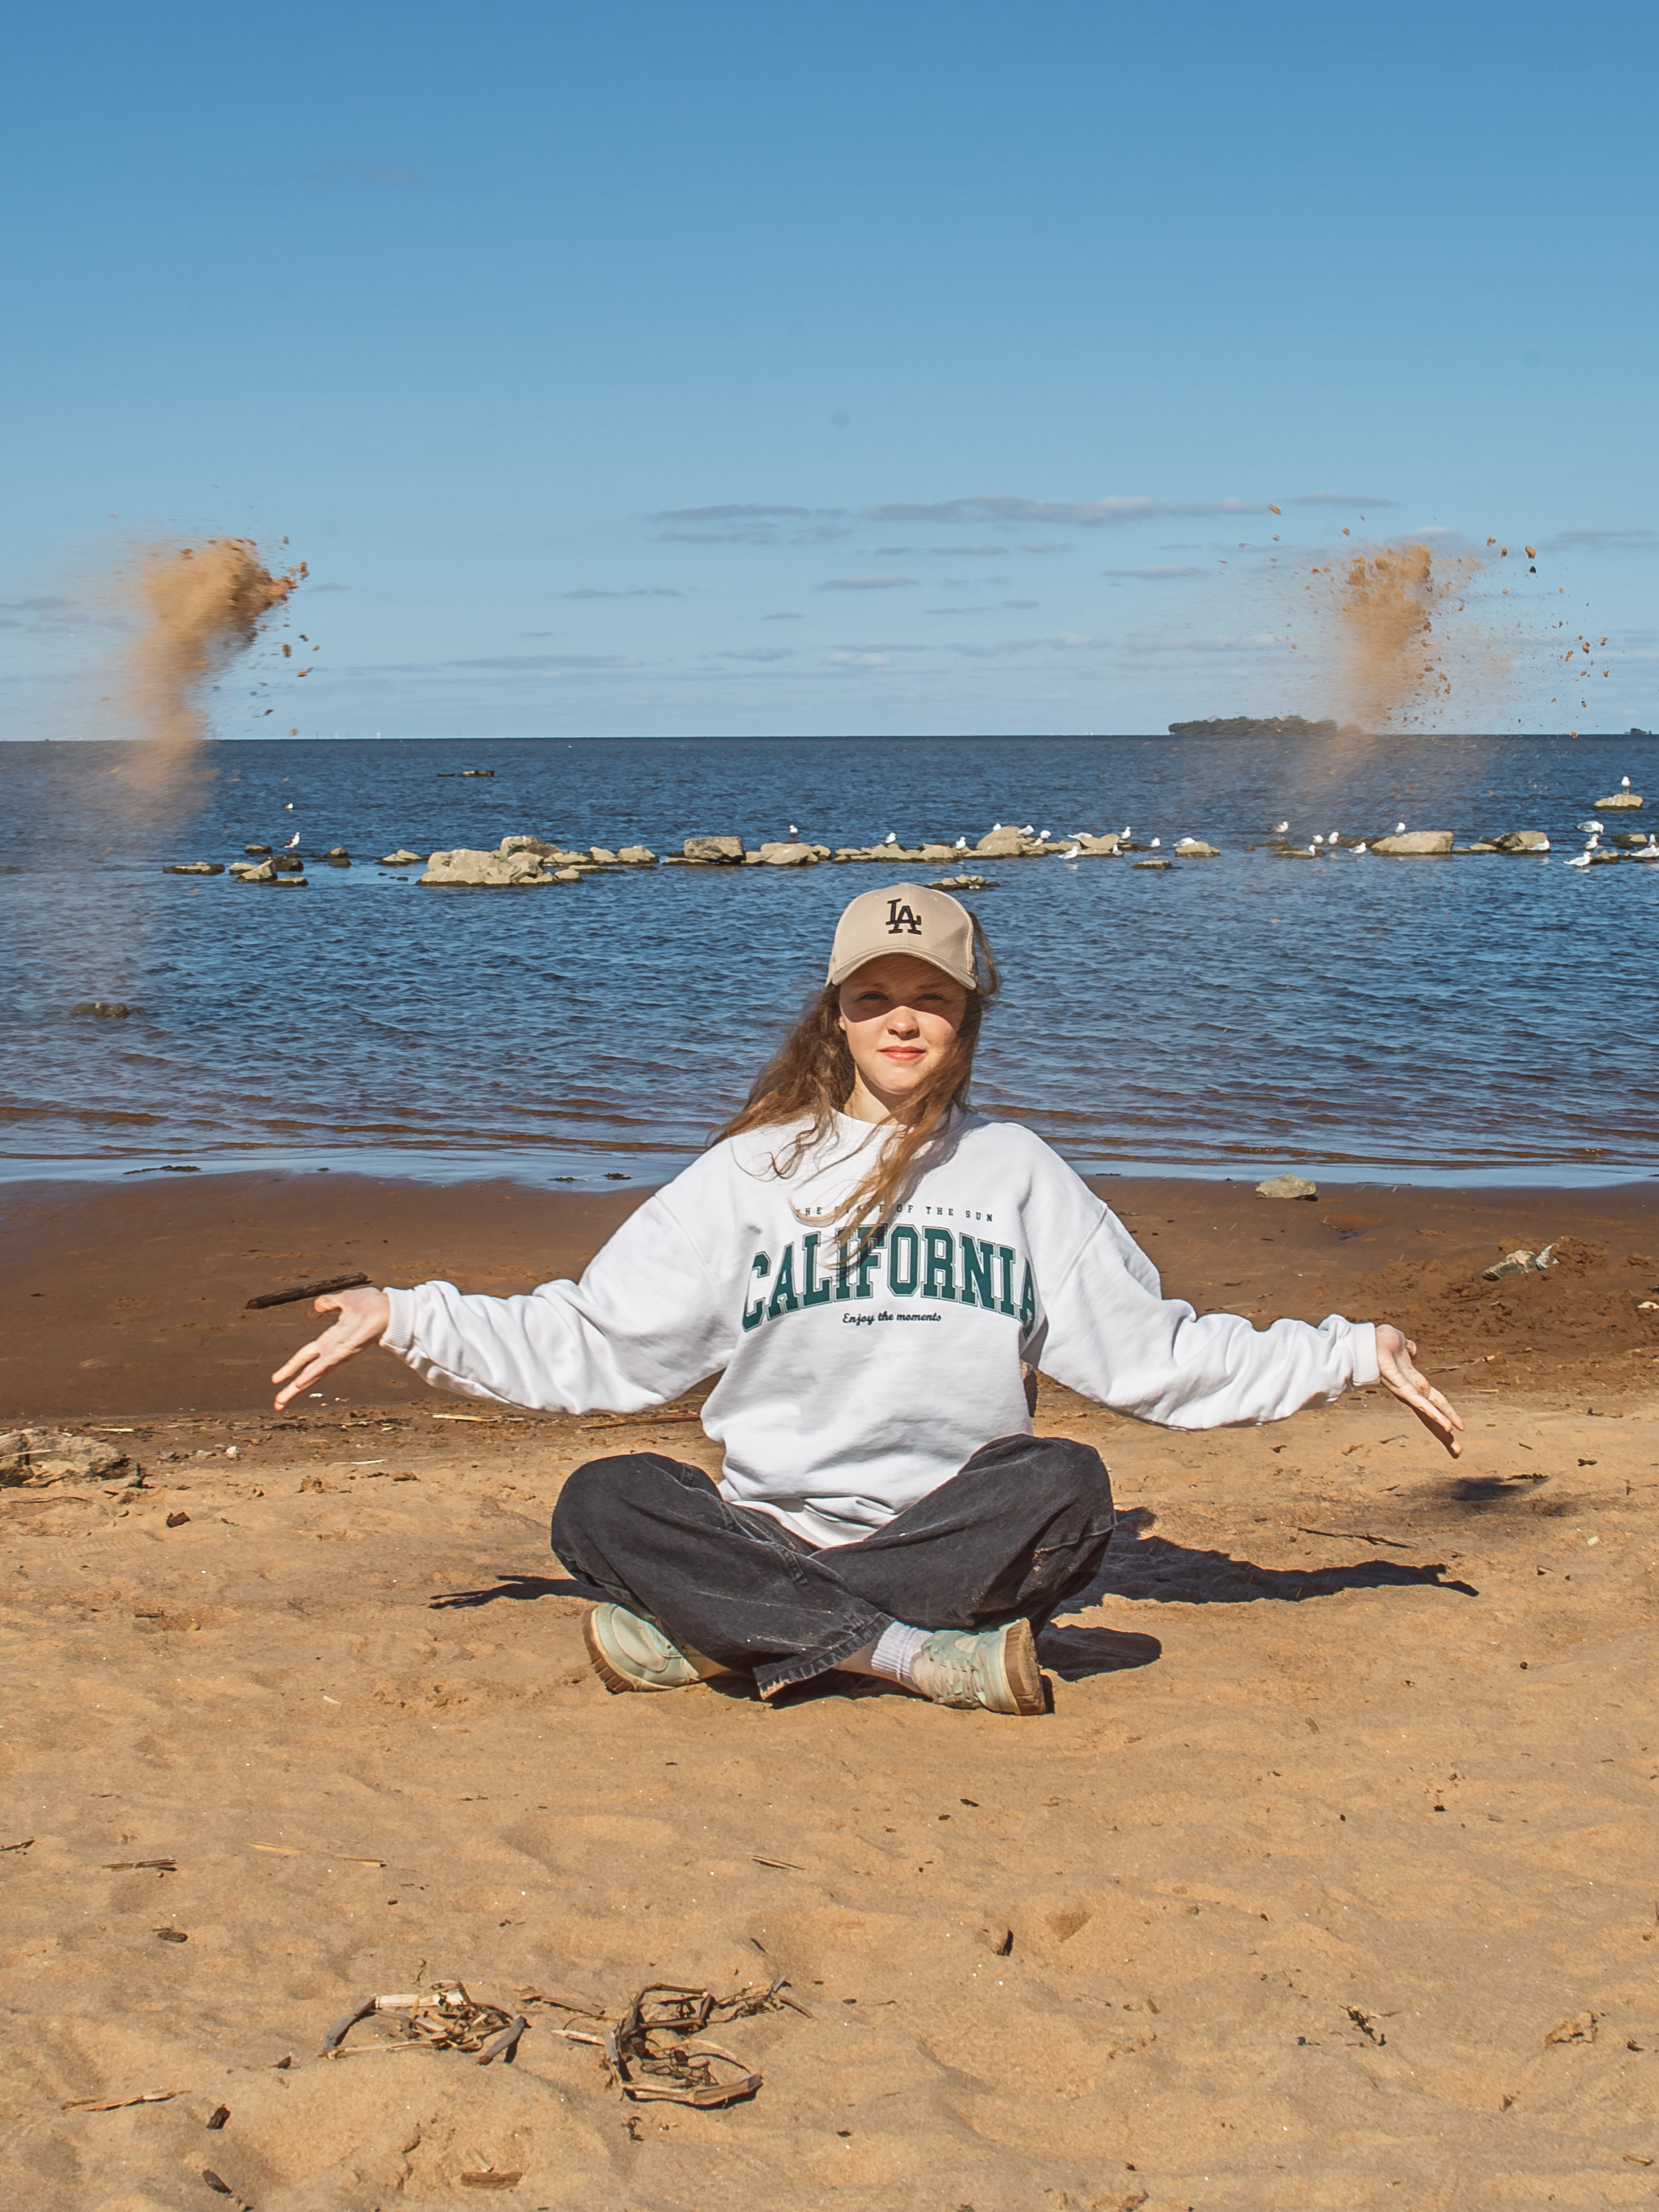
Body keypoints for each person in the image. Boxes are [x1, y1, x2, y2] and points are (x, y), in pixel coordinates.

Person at [273, 883, 1461, 1718]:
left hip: (948, 1532)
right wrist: (412, 1313)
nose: (902, 1017)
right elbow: (597, 1341)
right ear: (836, 1014)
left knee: (1069, 1489)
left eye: (930, 995)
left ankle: (723, 1633)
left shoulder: (1018, 1173)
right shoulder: (753, 1171)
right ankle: (904, 1656)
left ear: (967, 1016)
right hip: (771, 1529)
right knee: (601, 1501)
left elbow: (1154, 1355)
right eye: (874, 993)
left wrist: (1346, 1348)